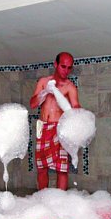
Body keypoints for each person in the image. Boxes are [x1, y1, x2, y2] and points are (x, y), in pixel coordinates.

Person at [30, 52, 80, 190]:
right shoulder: (43, 82)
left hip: (60, 129)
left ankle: (61, 200)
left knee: (62, 169)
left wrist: (80, 115)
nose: (66, 71)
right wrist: (45, 91)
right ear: (55, 64)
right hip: (43, 128)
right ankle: (42, 198)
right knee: (42, 168)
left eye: (69, 68)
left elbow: (75, 106)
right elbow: (33, 104)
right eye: (63, 66)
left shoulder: (70, 87)